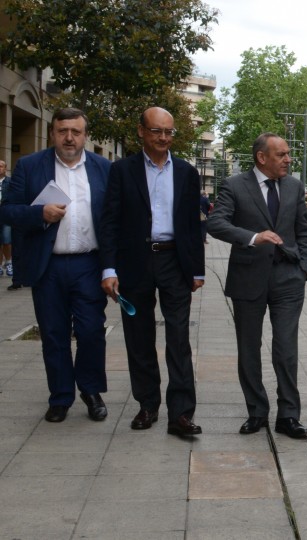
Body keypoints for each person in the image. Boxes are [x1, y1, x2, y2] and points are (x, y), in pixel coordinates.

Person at [0, 108, 111, 422]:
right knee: (53, 334)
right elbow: (7, 211)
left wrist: (113, 267)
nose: (69, 137)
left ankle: (91, 390)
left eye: (76, 131)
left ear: (85, 135)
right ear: (52, 133)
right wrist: (39, 214)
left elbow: (114, 220)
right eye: (63, 131)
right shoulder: (31, 166)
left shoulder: (103, 168)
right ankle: (60, 396)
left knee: (91, 331)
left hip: (89, 264)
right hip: (48, 266)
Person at [99, 107, 205, 437]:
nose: (163, 138)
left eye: (169, 132)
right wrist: (109, 267)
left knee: (179, 338)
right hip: (135, 262)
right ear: (141, 132)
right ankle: (147, 405)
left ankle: (181, 414)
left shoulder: (187, 172)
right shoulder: (122, 170)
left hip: (175, 262)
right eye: (157, 131)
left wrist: (198, 270)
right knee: (139, 338)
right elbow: (110, 222)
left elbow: (192, 225)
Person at [207, 133, 307, 439]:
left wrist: (304, 268)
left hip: (288, 279)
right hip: (248, 278)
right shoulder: (235, 185)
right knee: (248, 349)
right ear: (261, 158)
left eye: (288, 154)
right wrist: (254, 237)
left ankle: (289, 416)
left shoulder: (294, 186)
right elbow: (216, 224)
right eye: (281, 154)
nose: (288, 159)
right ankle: (256, 411)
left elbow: (303, 231)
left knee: (286, 349)